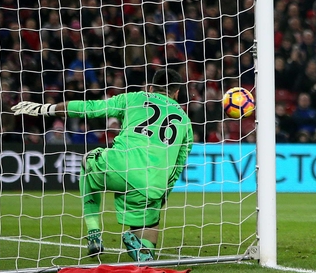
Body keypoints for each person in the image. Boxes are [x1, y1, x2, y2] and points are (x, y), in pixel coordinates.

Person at [12, 68, 193, 262]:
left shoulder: (134, 98)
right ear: (177, 93)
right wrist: (161, 196)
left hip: (118, 167)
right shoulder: (185, 122)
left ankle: (94, 234)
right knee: (149, 229)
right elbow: (176, 168)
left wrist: (46, 109)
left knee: (86, 161)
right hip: (151, 185)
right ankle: (143, 251)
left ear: (150, 87)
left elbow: (89, 108)